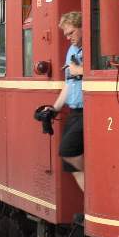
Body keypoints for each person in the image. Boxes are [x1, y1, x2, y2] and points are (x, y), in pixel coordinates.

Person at [46, 11, 85, 191]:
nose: (69, 38)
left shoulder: (93, 46)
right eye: (66, 35)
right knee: (69, 164)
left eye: (71, 33)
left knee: (67, 151)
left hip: (88, 111)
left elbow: (101, 72)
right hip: (74, 111)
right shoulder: (72, 50)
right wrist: (54, 109)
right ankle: (90, 199)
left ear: (82, 27)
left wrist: (79, 70)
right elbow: (69, 84)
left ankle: (94, 184)